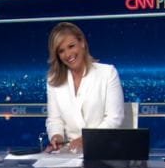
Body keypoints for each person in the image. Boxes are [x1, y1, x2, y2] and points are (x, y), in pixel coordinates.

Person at [44, 22, 124, 153]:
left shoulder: (107, 73)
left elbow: (114, 119)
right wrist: (56, 136)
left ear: (82, 43)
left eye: (71, 46)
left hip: (103, 151)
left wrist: (86, 139)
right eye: (61, 51)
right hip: (69, 154)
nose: (68, 54)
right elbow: (54, 119)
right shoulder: (53, 80)